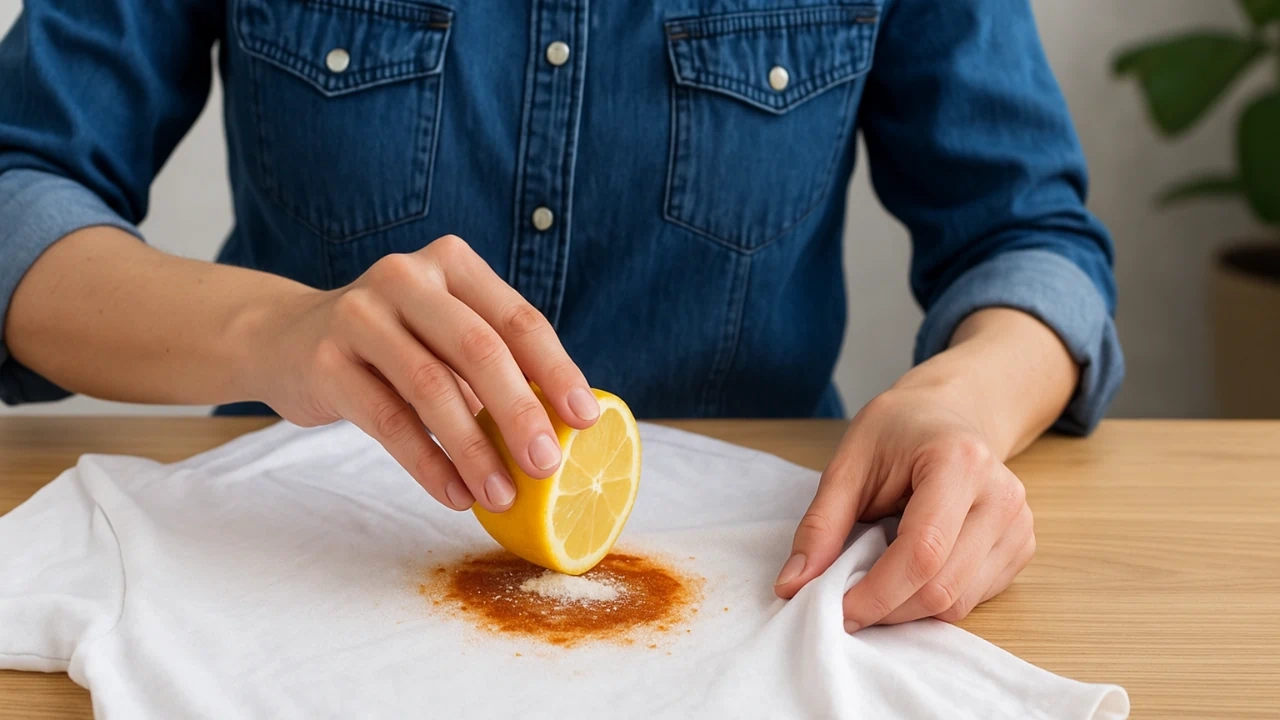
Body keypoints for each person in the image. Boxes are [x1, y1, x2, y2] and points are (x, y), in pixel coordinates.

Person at [0, 0, 1122, 632]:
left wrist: (957, 401)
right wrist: (273, 330)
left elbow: (1026, 238)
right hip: (277, 591)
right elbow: (18, 184)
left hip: (758, 607)